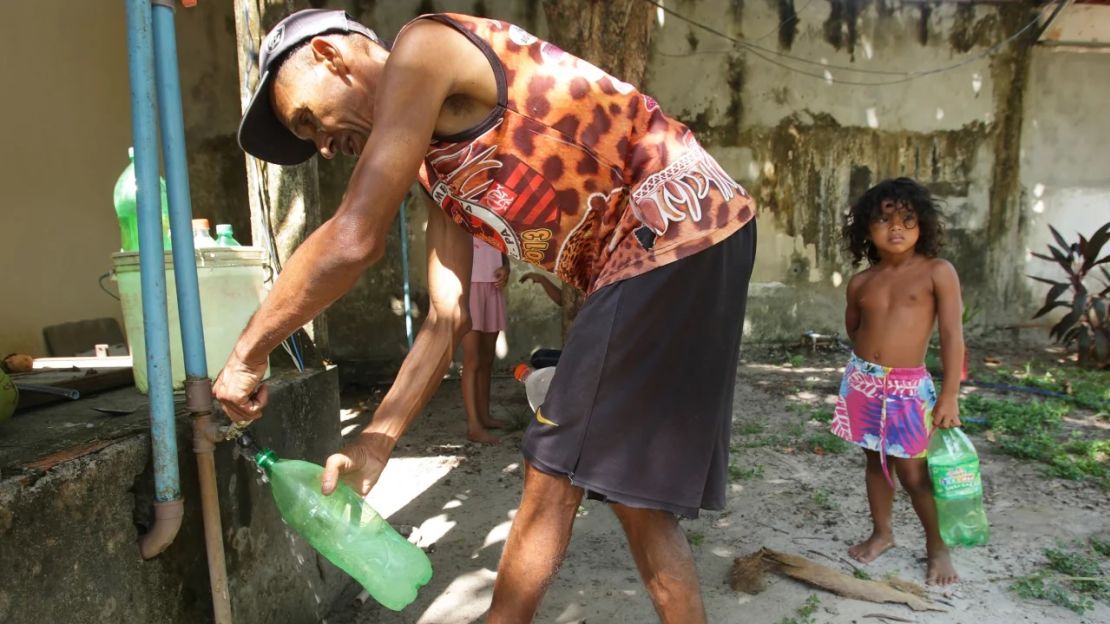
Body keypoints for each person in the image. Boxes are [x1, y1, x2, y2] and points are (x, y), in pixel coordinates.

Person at [214, 9, 756, 622]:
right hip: (690, 235)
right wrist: (374, 443)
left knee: (554, 460)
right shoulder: (437, 173)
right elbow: (445, 320)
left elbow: (352, 238)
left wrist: (246, 355)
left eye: (309, 119)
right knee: (624, 488)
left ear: (331, 57)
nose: (321, 144)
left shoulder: (426, 46)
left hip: (670, 219)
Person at [830, 177, 964, 586]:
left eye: (907, 219)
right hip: (863, 382)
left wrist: (949, 396)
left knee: (913, 473)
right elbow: (856, 328)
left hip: (909, 389)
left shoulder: (937, 272)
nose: (897, 228)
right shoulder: (861, 282)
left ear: (923, 224)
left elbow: (953, 335)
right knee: (875, 460)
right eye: (884, 220)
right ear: (866, 230)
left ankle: (936, 546)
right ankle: (882, 532)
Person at [462, 239, 510, 444]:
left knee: (487, 357)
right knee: (472, 359)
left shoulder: (493, 214)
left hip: (493, 287)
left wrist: (506, 268)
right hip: (469, 286)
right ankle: (474, 426)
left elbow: (504, 251)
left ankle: (484, 416)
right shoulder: (459, 213)